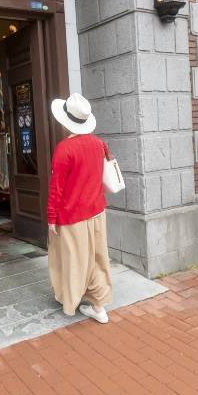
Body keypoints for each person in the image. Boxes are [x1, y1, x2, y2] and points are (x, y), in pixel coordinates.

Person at [47, 92, 112, 323]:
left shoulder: (64, 149)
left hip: (72, 215)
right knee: (97, 257)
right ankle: (99, 306)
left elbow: (57, 189)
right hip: (97, 211)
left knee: (73, 260)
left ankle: (70, 300)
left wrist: (51, 217)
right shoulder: (99, 144)